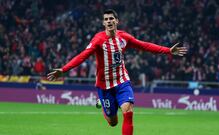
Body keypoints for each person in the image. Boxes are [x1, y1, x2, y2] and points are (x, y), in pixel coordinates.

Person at [47, 9, 187, 135]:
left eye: (111, 19)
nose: (109, 21)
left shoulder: (124, 37)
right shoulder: (98, 40)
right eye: (106, 19)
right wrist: (64, 69)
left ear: (117, 21)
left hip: (122, 81)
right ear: (103, 23)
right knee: (113, 122)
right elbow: (83, 55)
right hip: (105, 85)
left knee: (128, 111)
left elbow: (144, 45)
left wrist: (168, 50)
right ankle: (103, 104)